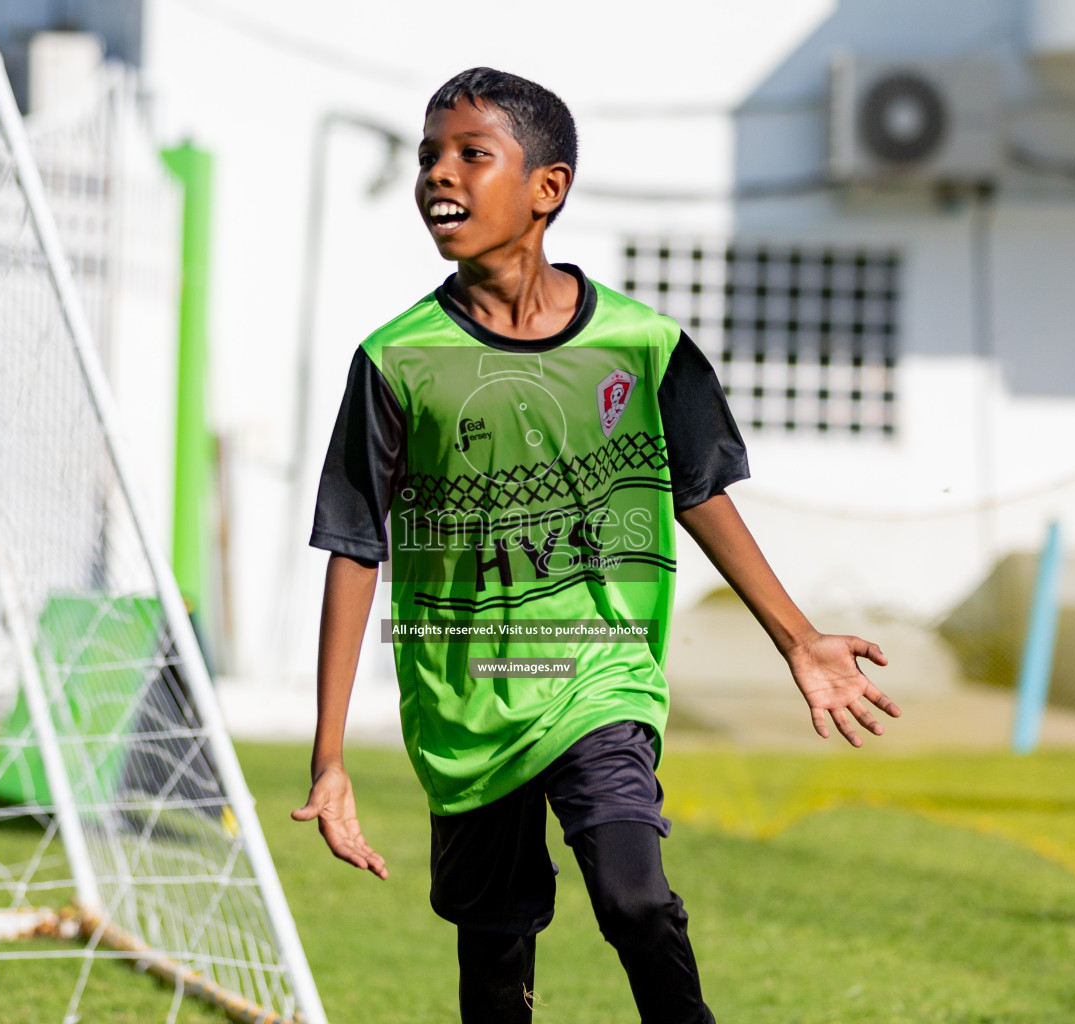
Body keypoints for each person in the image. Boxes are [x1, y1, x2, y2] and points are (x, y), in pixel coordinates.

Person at [294, 66, 901, 1024]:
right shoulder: (395, 360)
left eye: (469, 155)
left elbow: (700, 495)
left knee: (635, 898)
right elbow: (355, 547)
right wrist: (330, 758)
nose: (437, 176)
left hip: (599, 677)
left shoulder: (643, 344)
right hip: (466, 702)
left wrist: (799, 639)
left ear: (549, 188)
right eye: (427, 158)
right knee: (496, 957)